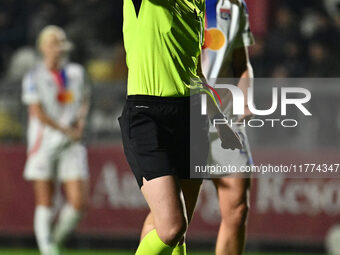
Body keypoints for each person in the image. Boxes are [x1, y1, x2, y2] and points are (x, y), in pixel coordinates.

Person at [119, 0, 242, 254]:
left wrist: (219, 122)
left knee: (177, 231)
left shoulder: (196, 5)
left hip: (191, 117)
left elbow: (195, 73)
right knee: (171, 226)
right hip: (148, 115)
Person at [22, 25, 90, 255]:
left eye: (60, 42)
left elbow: (83, 100)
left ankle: (56, 240)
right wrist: (65, 129)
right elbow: (37, 112)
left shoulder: (76, 72)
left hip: (72, 142)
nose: (57, 47)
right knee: (45, 200)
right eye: (52, 42)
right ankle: (48, 250)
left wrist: (79, 123)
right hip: (44, 143)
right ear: (42, 47)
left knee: (79, 202)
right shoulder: (34, 76)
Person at [202, 0, 255, 254]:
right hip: (182, 113)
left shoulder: (235, 5)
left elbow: (241, 62)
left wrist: (245, 99)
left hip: (225, 115)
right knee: (172, 217)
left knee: (237, 208)